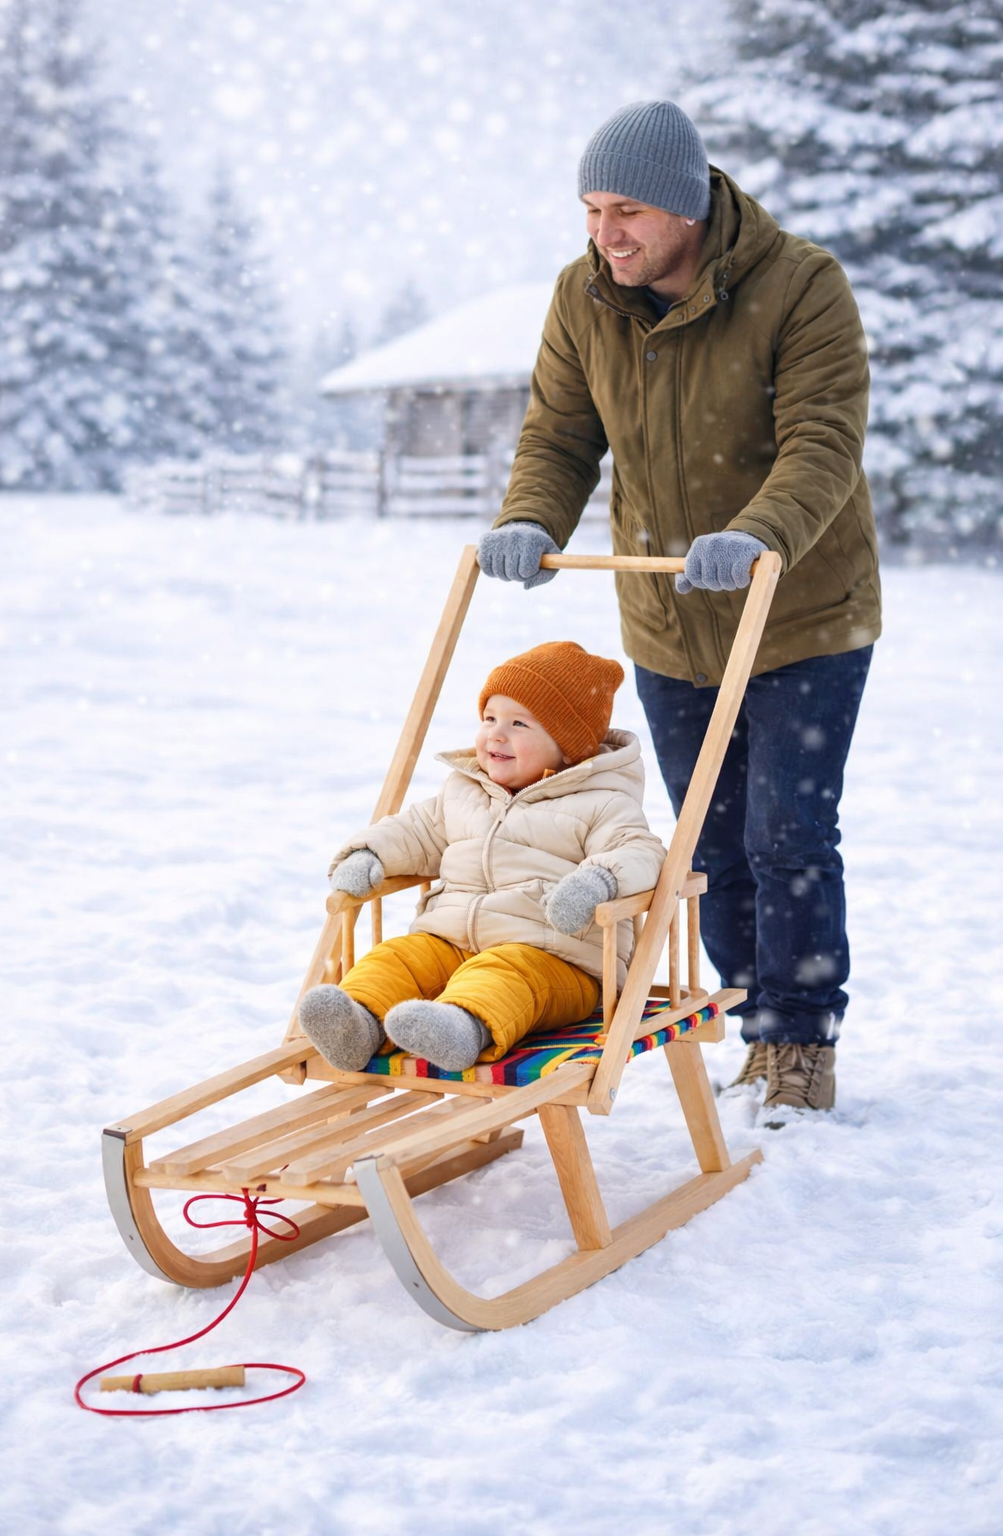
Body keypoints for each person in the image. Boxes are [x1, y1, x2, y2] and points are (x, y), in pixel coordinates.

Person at [478, 100, 880, 1118]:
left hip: (797, 613)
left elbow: (822, 438)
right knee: (709, 844)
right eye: (589, 209)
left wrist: (759, 533)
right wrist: (531, 517)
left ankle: (799, 1043)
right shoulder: (584, 296)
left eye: (624, 211)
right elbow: (559, 435)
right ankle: (751, 1016)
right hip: (665, 621)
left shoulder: (799, 285)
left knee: (786, 834)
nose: (603, 233)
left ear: (686, 205)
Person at [298, 641, 666, 1074]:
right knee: (400, 957)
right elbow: (417, 831)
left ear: (567, 747)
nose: (496, 733)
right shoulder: (465, 791)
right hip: (452, 941)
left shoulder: (600, 803)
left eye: (518, 723)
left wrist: (596, 882)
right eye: (489, 718)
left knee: (505, 973)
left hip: (555, 960)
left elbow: (640, 851)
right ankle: (357, 1023)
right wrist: (370, 852)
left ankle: (461, 1028)